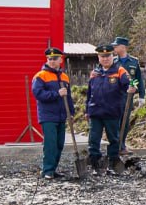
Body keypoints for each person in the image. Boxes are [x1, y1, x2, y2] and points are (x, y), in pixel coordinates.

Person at [85, 43, 136, 175]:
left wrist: (132, 87)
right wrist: (87, 110)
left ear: (112, 56)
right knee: (93, 140)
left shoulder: (120, 71)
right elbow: (89, 93)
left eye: (107, 56)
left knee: (113, 139)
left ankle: (112, 164)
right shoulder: (94, 73)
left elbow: (131, 82)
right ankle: (95, 165)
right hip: (95, 112)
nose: (105, 59)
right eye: (102, 56)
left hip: (112, 112)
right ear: (98, 58)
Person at [31, 46, 76, 179]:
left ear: (60, 60)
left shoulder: (64, 77)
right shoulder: (40, 76)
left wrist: (71, 113)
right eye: (49, 59)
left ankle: (53, 169)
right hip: (48, 115)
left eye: (54, 59)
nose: (52, 61)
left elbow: (68, 97)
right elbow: (38, 94)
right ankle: (47, 171)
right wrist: (56, 93)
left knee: (59, 143)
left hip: (61, 115)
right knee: (50, 144)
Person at [111, 36, 144, 154]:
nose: (114, 47)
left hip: (128, 96)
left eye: (116, 46)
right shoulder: (113, 62)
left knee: (125, 122)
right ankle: (115, 144)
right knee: (115, 121)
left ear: (123, 47)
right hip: (114, 96)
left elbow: (137, 79)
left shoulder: (134, 62)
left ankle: (122, 145)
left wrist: (141, 95)